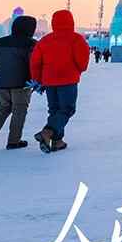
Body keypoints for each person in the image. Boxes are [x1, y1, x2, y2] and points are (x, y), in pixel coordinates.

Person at [31, 10, 91, 153]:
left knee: (55, 110)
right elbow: (82, 62)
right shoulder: (76, 39)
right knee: (67, 109)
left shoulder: (45, 40)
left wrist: (38, 80)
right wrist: (77, 70)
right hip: (68, 80)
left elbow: (35, 63)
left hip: (49, 81)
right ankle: (48, 132)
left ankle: (57, 141)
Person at [0, 15, 38, 150]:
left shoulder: (1, 42)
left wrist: (2, 72)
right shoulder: (31, 44)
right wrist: (34, 79)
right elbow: (34, 64)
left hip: (2, 83)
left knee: (3, 107)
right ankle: (14, 141)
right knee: (19, 111)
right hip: (22, 84)